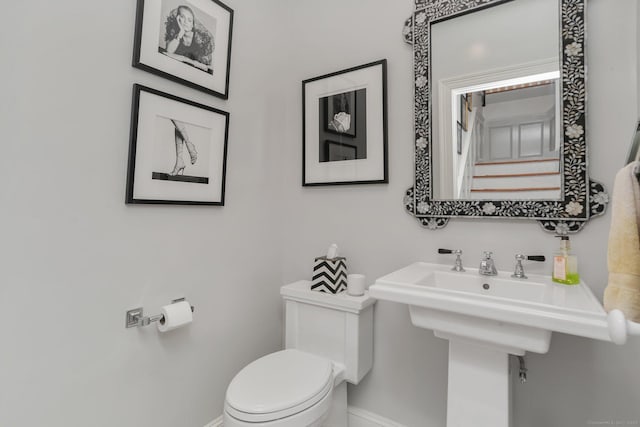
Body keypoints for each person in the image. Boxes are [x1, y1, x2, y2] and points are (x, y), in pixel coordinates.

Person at [161, 5, 214, 74]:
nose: (185, 21)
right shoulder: (176, 34)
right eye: (182, 17)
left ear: (192, 25)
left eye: (189, 20)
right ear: (177, 18)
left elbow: (206, 66)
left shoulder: (201, 39)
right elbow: (168, 51)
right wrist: (180, 33)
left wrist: (185, 59)